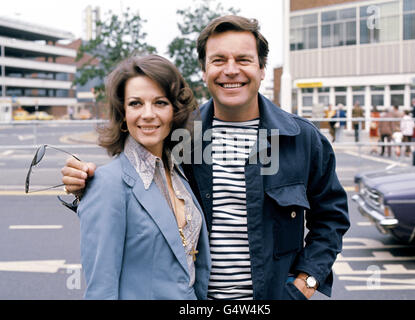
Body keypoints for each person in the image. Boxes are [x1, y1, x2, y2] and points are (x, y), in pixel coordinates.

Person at [62, 15, 350, 300]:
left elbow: (331, 218)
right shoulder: (180, 136)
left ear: (262, 68)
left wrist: (306, 282)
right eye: (219, 60)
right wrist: (87, 182)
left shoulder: (301, 139)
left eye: (243, 60)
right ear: (204, 70)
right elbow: (135, 185)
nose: (231, 70)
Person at [75, 54, 211, 299]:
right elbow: (101, 290)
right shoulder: (107, 183)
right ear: (123, 113)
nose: (148, 114)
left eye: (160, 103)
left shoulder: (178, 172)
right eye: (136, 103)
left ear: (175, 111)